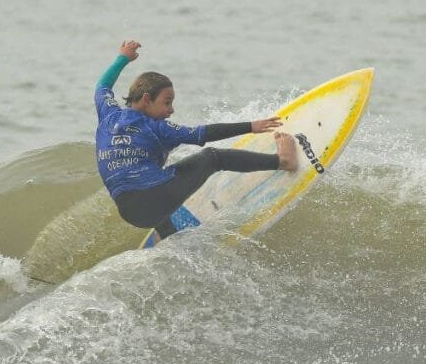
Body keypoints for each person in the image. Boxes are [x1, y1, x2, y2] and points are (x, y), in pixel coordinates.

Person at [94, 39, 298, 240]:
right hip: (154, 201)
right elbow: (202, 134)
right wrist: (251, 126)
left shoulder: (108, 114)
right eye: (167, 102)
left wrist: (123, 58)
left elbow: (102, 86)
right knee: (213, 157)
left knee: (151, 175)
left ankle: (166, 234)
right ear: (147, 99)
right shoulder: (157, 127)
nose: (171, 110)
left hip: (131, 213)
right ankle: (282, 161)